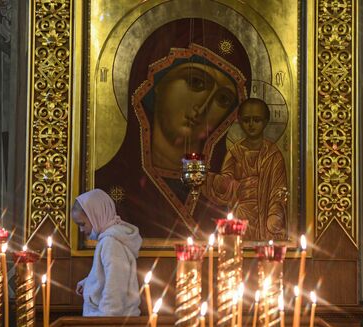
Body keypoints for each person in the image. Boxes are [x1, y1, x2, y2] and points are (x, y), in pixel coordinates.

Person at [95, 18, 252, 240]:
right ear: (155, 82)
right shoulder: (107, 188)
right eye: (196, 82)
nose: (204, 107)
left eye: (223, 99)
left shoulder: (228, 190)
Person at [72, 189, 141, 327]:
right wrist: (88, 282)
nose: (82, 230)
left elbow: (115, 286)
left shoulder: (111, 242)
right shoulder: (110, 239)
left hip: (106, 324)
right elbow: (106, 276)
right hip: (103, 323)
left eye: (83, 224)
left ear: (96, 215)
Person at [204, 98, 287, 240]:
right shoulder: (235, 152)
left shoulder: (273, 155)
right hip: (241, 213)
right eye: (247, 120)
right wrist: (207, 178)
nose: (251, 125)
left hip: (265, 213)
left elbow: (278, 189)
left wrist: (275, 214)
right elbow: (226, 183)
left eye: (257, 120)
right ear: (240, 121)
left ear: (266, 121)